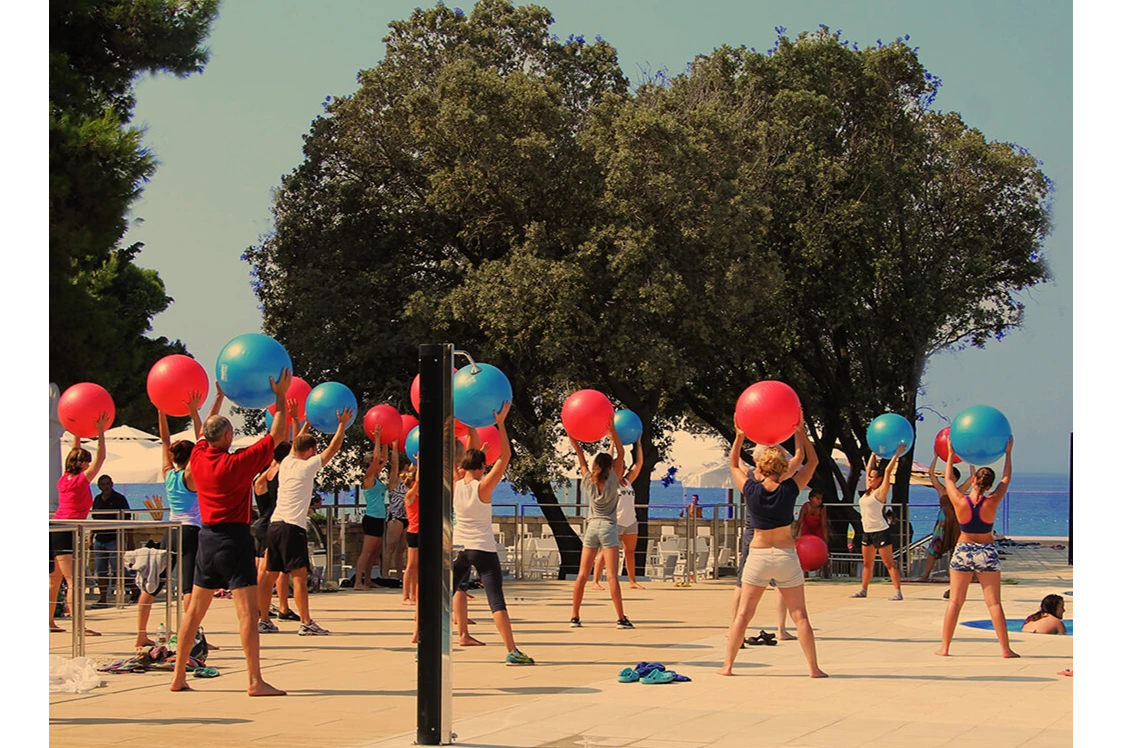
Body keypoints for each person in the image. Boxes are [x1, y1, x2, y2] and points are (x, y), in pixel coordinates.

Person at [169, 370, 292, 696]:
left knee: (193, 613)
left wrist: (218, 398)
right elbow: (278, 433)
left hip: (206, 539)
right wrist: (280, 395)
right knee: (246, 614)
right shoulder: (238, 463)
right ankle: (254, 681)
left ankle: (178, 676)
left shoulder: (198, 456)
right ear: (226, 438)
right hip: (234, 540)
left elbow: (201, 430)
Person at [719, 419, 826, 678]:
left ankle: (728, 666)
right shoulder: (790, 488)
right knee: (800, 614)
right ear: (783, 468)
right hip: (786, 555)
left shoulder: (751, 489)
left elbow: (733, 464)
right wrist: (801, 433)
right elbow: (812, 463)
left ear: (759, 467)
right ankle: (814, 668)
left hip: (758, 554)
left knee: (743, 614)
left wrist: (739, 437)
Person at [450, 403, 534, 664]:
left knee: (446, 594)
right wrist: (501, 424)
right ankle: (512, 650)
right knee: (496, 601)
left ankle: (423, 642)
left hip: (459, 548)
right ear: (481, 468)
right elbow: (506, 456)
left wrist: (477, 450)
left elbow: (466, 465)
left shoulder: (454, 484)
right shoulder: (482, 488)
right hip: (482, 549)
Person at [258, 407, 351, 636]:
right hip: (292, 527)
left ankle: (262, 619)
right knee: (299, 576)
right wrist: (342, 425)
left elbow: (296, 443)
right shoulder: (307, 466)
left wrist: (304, 422)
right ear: (310, 451)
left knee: (269, 575)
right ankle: (307, 622)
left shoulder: (287, 461)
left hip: (275, 525)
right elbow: (333, 449)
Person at [936, 436, 1018, 658]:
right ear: (990, 484)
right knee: (993, 604)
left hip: (963, 550)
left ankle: (945, 648)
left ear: (973, 480)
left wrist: (951, 453)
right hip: (986, 551)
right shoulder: (992, 501)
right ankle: (1005, 648)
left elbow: (948, 480)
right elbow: (1007, 478)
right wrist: (1008, 453)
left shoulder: (960, 502)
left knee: (955, 601)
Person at [135, 392, 206, 648]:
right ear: (189, 458)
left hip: (170, 530)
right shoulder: (190, 475)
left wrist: (161, 410)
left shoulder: (168, 473)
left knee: (153, 583)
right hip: (189, 531)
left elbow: (164, 441)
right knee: (189, 587)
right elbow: (203, 443)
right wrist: (195, 412)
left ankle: (141, 634)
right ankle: (193, 635)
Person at [569, 423, 633, 629]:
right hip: (608, 527)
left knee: (582, 574)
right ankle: (621, 618)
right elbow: (622, 453)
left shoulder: (588, 479)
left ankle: (575, 617)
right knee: (612, 576)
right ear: (611, 467)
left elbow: (579, 455)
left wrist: (573, 435)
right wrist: (611, 429)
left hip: (591, 527)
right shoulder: (615, 479)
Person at [50, 414, 109, 634]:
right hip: (68, 529)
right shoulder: (80, 479)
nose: (88, 463)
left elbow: (74, 453)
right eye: (86, 460)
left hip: (57, 526)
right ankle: (79, 627)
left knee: (54, 580)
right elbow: (101, 459)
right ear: (82, 463)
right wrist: (100, 431)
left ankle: (49, 621)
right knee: (74, 581)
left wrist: (77, 431)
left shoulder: (64, 477)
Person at [851, 446, 906, 600]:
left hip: (880, 531)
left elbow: (887, 472)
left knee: (888, 563)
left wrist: (896, 454)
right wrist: (873, 454)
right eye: (869, 477)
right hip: (867, 531)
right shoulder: (867, 492)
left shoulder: (880, 492)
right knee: (867, 563)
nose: (869, 479)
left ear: (879, 480)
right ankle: (863, 589)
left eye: (873, 478)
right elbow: (869, 469)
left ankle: (897, 591)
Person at [592, 441, 644, 590]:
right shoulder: (609, 482)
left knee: (630, 552)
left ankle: (632, 581)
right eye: (621, 467)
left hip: (630, 522)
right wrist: (613, 444)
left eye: (625, 467)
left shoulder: (627, 481)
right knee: (604, 552)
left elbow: (639, 463)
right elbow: (609, 458)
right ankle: (595, 581)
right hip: (615, 522)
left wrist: (638, 443)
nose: (624, 469)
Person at [253, 439, 296, 620]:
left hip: (261, 524)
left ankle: (275, 606)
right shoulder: (281, 474)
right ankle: (265, 609)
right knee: (270, 569)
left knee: (267, 569)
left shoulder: (261, 476)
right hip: (271, 524)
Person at [920, 457, 967, 581]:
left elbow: (972, 479)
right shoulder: (942, 490)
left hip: (955, 523)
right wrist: (935, 457)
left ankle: (970, 576)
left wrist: (969, 461)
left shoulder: (959, 490)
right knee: (934, 548)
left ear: (955, 478)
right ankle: (925, 575)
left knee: (961, 548)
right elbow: (931, 474)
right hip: (942, 523)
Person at [354, 432, 389, 590]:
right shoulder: (368, 477)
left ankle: (367, 580)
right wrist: (377, 439)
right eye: (377, 463)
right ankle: (358, 582)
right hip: (371, 518)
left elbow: (384, 460)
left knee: (375, 554)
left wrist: (386, 442)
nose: (381, 465)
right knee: (367, 552)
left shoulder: (377, 478)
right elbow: (376, 459)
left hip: (380, 518)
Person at [90, 474, 131, 608]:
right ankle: (103, 598)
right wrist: (90, 538)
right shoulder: (97, 499)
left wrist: (129, 540)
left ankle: (134, 590)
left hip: (114, 538)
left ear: (112, 484)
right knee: (100, 570)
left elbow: (128, 520)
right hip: (100, 539)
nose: (106, 487)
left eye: (108, 484)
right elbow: (94, 520)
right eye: (103, 484)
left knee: (118, 568)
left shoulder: (119, 499)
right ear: (99, 486)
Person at [385, 453, 409, 580]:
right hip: (395, 516)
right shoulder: (395, 481)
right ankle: (385, 574)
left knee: (402, 548)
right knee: (391, 546)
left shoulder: (409, 481)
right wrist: (394, 447)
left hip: (407, 516)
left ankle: (400, 575)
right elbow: (394, 465)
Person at [402, 457, 420, 605]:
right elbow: (418, 481)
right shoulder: (409, 495)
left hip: (421, 532)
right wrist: (420, 464)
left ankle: (415, 594)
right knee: (411, 565)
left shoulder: (419, 496)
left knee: (418, 566)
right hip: (413, 532)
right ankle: (405, 596)